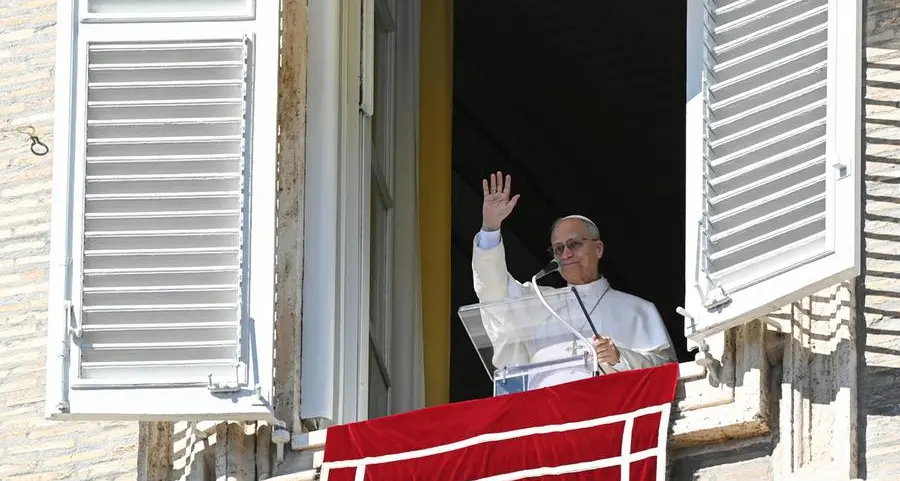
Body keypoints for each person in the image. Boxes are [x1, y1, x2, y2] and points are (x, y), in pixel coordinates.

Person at [472, 170, 677, 389]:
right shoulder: (539, 303)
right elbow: (494, 292)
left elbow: (666, 372)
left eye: (574, 244)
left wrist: (619, 357)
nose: (566, 254)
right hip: (544, 414)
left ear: (598, 248)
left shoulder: (637, 310)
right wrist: (490, 229)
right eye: (558, 249)